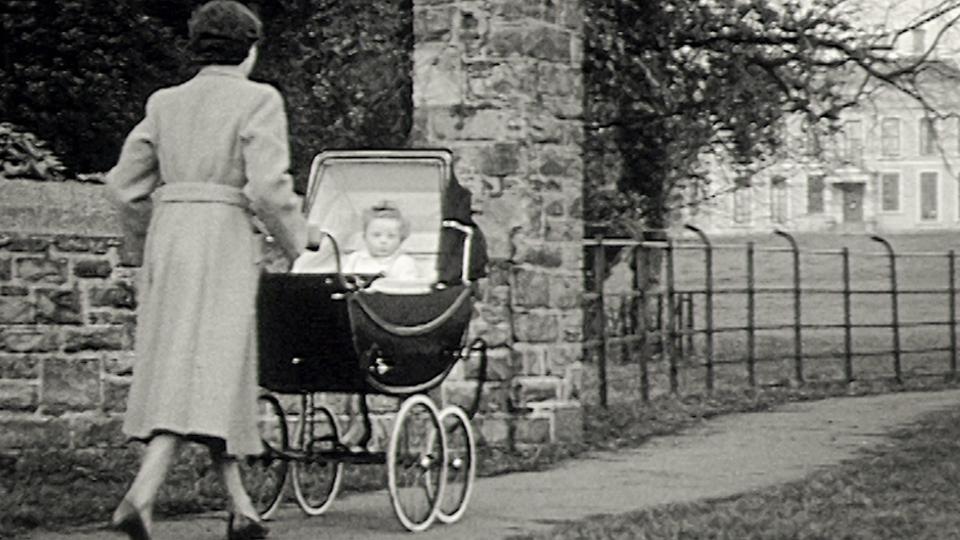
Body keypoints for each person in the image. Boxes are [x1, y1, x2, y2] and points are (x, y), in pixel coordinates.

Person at [104, 2, 316, 539]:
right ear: (250, 49)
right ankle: (141, 493)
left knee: (198, 371)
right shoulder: (259, 99)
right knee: (211, 369)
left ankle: (243, 510)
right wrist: (298, 243)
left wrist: (144, 242)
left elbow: (123, 186)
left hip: (171, 239)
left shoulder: (165, 102)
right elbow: (268, 188)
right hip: (222, 239)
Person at [341, 200, 419, 279]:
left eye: (391, 236)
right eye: (376, 235)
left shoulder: (404, 262)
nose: (383, 241)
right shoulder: (354, 259)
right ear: (365, 237)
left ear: (401, 239)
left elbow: (406, 287)